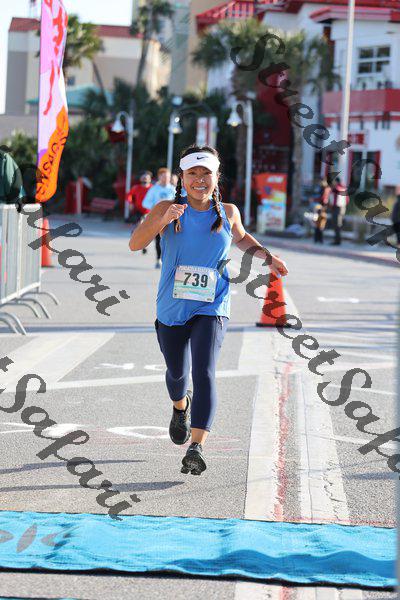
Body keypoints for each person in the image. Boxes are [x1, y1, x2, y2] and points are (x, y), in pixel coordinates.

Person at [129, 144, 288, 476]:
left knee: (204, 372)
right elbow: (135, 243)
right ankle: (180, 406)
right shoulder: (167, 207)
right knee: (177, 374)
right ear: (182, 177)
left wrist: (268, 257)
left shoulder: (228, 212)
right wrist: (163, 221)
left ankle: (196, 447)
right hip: (172, 306)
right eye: (193, 173)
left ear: (217, 177)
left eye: (206, 173)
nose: (199, 179)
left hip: (213, 304)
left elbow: (241, 238)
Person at [142, 168, 175, 268]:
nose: (166, 179)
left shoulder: (173, 189)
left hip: (172, 218)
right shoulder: (154, 189)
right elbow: (145, 203)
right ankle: (158, 259)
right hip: (157, 218)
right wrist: (156, 206)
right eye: (164, 176)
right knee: (159, 239)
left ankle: (171, 259)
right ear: (159, 177)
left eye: (168, 177)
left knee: (172, 239)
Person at [323, 177, 349, 246]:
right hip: (338, 208)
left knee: (337, 224)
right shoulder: (340, 188)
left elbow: (337, 190)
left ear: (337, 182)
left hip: (338, 208)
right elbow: (347, 200)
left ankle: (337, 241)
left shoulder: (339, 188)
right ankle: (337, 240)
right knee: (336, 224)